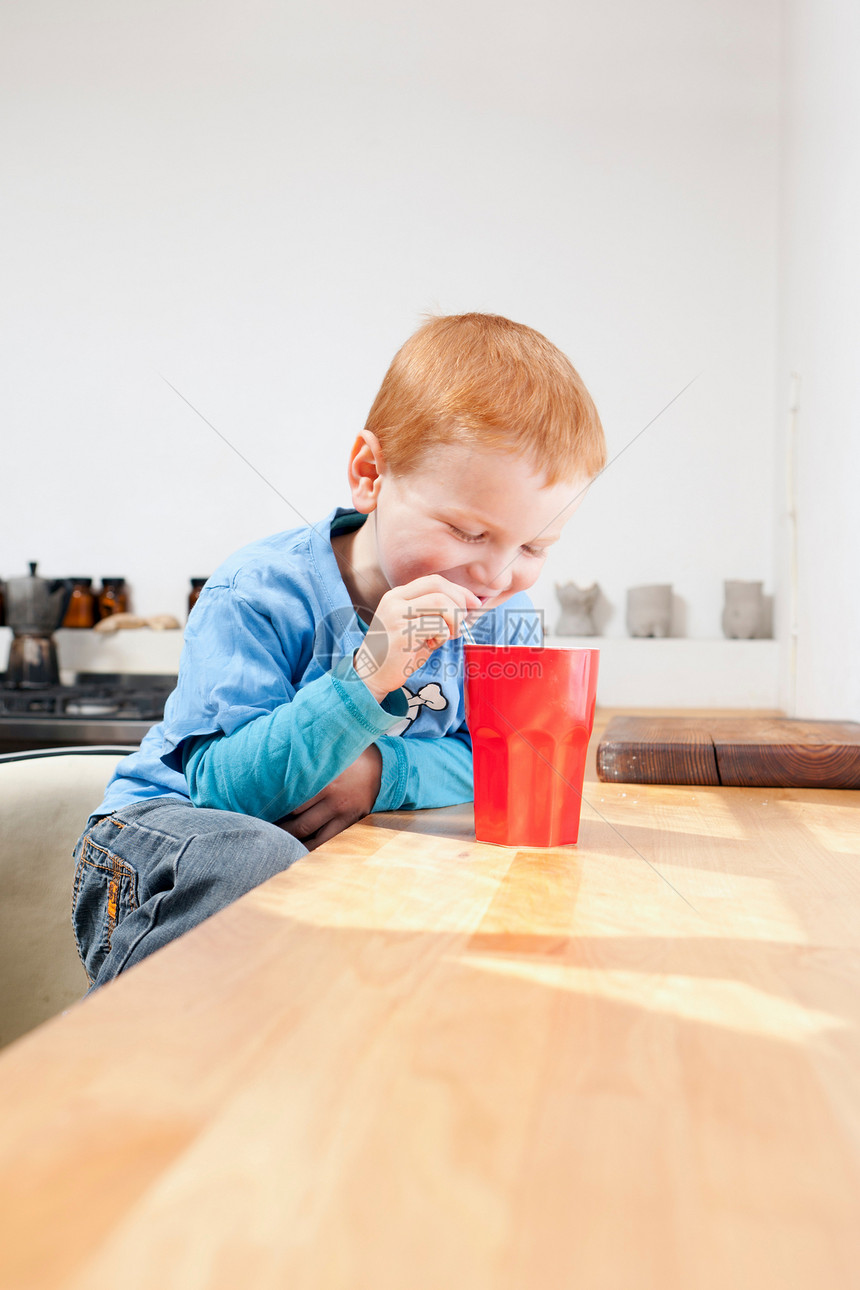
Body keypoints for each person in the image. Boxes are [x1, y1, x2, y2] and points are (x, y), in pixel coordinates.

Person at [71, 313, 606, 989]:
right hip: (164, 841)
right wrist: (365, 681)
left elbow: (496, 761)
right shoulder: (259, 591)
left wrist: (379, 769)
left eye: (534, 548)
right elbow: (225, 790)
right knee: (256, 856)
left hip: (315, 857)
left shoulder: (501, 617)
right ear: (370, 473)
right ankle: (104, 1065)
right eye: (470, 532)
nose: (499, 578)